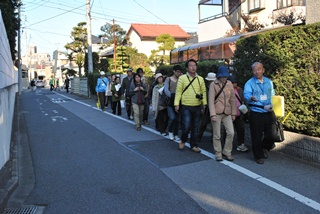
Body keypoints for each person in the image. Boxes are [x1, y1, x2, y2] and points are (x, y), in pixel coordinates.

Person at [244, 62, 276, 164]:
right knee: (256, 136)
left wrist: (275, 103)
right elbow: (246, 94)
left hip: (268, 111)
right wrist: (250, 98)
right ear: (252, 71)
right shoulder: (249, 83)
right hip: (256, 112)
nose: (257, 71)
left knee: (272, 135)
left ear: (263, 70)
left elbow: (272, 94)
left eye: (259, 69)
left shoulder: (268, 82)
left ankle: (264, 147)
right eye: (254, 70)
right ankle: (258, 156)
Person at [174, 59, 207, 153]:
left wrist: (204, 104)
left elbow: (203, 92)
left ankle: (194, 145)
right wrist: (176, 104)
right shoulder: (182, 78)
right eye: (191, 66)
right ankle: (183, 140)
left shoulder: (200, 79)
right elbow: (178, 92)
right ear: (187, 68)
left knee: (195, 128)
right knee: (186, 126)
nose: (193, 67)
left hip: (197, 106)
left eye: (194, 65)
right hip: (186, 106)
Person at [208, 65, 236, 161]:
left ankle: (227, 151)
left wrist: (233, 113)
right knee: (217, 135)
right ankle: (218, 153)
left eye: (226, 76)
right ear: (219, 76)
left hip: (227, 112)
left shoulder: (229, 84)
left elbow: (233, 99)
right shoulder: (213, 84)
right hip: (216, 112)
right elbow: (211, 100)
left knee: (231, 132)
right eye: (222, 76)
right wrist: (212, 114)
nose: (224, 78)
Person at [228, 75, 248, 152]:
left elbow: (243, 99)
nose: (234, 84)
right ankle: (227, 145)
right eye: (232, 83)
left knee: (241, 129)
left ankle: (241, 144)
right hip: (229, 114)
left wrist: (246, 107)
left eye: (235, 83)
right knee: (228, 131)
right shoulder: (226, 90)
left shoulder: (239, 90)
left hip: (239, 113)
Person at [164, 64, 182, 141]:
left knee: (178, 119)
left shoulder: (181, 79)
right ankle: (170, 131)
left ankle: (176, 134)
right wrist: (172, 96)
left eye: (180, 72)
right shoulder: (168, 79)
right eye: (177, 71)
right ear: (174, 71)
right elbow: (166, 90)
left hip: (179, 102)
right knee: (172, 118)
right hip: (171, 102)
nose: (179, 73)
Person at [198, 72, 216, 142]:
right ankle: (198, 136)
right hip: (206, 108)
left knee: (214, 124)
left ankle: (214, 138)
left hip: (214, 108)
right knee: (203, 124)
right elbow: (202, 97)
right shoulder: (204, 88)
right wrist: (202, 106)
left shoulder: (216, 87)